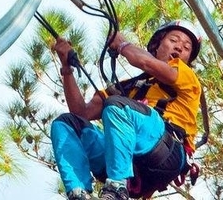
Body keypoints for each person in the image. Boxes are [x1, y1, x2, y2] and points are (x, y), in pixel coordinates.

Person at [50, 20, 202, 200]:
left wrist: (122, 44)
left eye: (186, 47)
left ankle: (116, 188)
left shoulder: (186, 77)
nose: (179, 47)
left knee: (117, 106)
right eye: (173, 40)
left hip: (165, 152)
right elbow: (81, 113)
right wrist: (67, 68)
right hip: (131, 164)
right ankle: (78, 193)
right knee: (67, 124)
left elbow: (145, 62)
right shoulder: (131, 87)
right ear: (157, 44)